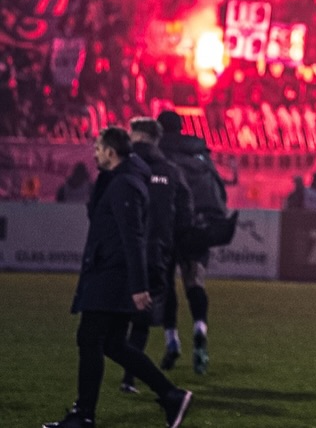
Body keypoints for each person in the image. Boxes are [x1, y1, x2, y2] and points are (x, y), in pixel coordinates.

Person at [43, 127, 192, 428]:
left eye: (98, 148)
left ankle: (84, 415)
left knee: (89, 338)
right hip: (112, 272)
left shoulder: (124, 184)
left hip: (112, 275)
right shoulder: (121, 180)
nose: (94, 153)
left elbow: (133, 236)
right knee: (113, 343)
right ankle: (170, 394)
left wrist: (138, 286)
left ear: (111, 152)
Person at [119, 117, 194, 394]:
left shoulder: (118, 167)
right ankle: (129, 378)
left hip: (117, 255)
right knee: (140, 320)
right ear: (156, 139)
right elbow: (185, 213)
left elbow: (97, 208)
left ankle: (85, 403)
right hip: (153, 255)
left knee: (101, 326)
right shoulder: (170, 172)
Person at [156, 109, 231, 375]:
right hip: (198, 226)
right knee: (194, 283)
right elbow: (219, 189)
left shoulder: (157, 153)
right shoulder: (200, 152)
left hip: (166, 227)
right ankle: (200, 329)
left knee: (165, 286)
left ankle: (172, 340)